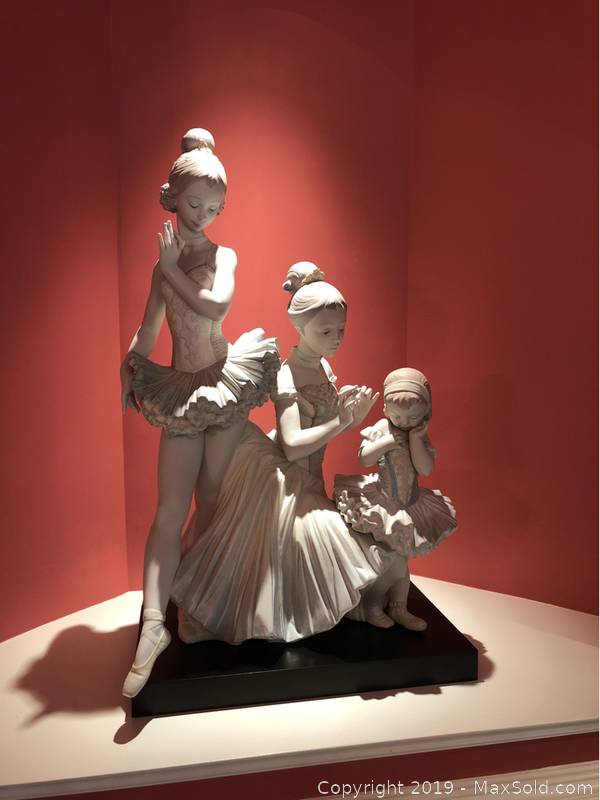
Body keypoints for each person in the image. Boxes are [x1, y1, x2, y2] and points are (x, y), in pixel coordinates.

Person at [121, 128, 279, 697]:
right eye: (193, 205)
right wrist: (130, 365)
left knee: (211, 499)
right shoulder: (162, 266)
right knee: (170, 509)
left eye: (213, 209)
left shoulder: (222, 255)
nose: (201, 217)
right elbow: (149, 330)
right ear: (173, 199)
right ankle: (153, 622)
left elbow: (216, 305)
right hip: (182, 390)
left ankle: (197, 599)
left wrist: (170, 270)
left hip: (224, 383)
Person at [171, 262, 395, 644]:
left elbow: (321, 427)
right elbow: (291, 446)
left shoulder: (323, 366)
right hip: (285, 476)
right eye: (326, 331)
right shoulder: (286, 374)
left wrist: (348, 415)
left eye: (341, 329)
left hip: (311, 475)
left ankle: (347, 607)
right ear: (300, 328)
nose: (336, 338)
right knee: (292, 548)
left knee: (320, 550)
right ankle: (210, 615)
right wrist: (341, 421)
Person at [334, 368, 457, 631]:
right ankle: (373, 606)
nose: (404, 421)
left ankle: (399, 607)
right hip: (384, 503)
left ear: (425, 412)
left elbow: (425, 469)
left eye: (412, 417)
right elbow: (364, 458)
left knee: (401, 560)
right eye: (397, 416)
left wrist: (416, 439)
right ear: (386, 410)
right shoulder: (383, 427)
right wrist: (386, 442)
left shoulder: (418, 432)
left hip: (411, 505)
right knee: (390, 561)